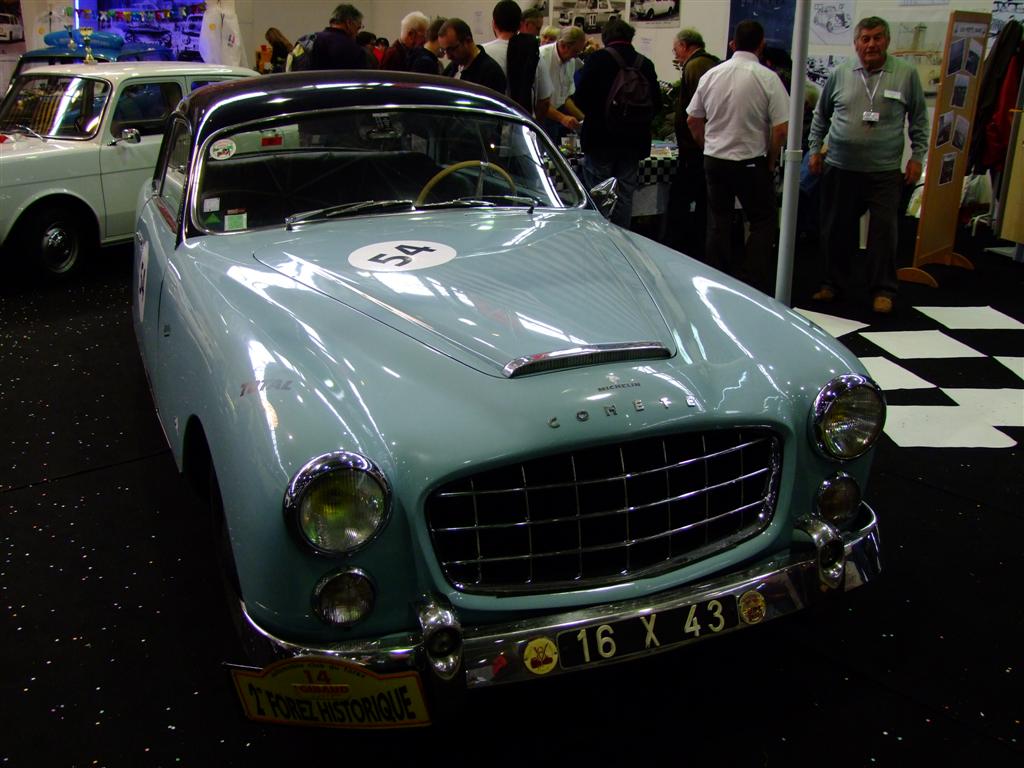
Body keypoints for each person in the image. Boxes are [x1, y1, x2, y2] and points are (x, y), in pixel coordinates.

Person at [807, 15, 929, 314]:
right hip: (840, 167)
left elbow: (919, 119)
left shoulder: (906, 75)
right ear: (856, 43)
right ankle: (833, 284)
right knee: (836, 230)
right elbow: (821, 115)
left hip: (884, 171)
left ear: (887, 40)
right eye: (865, 39)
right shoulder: (840, 73)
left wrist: (917, 157)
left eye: (877, 38)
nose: (871, 44)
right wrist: (814, 149)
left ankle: (883, 290)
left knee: (884, 233)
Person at [687, 19, 789, 292]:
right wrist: (771, 160)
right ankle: (751, 280)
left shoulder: (712, 75)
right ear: (761, 45)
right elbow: (781, 129)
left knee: (718, 220)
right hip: (750, 161)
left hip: (715, 159)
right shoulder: (768, 78)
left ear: (733, 44)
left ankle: (717, 278)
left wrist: (707, 146)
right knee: (762, 220)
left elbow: (693, 120)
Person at [573, 18, 659, 229]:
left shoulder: (597, 60)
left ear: (606, 37)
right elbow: (656, 103)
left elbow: (580, 98)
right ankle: (621, 237)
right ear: (630, 37)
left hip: (600, 139)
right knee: (625, 194)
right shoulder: (645, 64)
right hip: (633, 142)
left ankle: (598, 236)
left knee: (598, 192)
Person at [666, 28, 718, 258]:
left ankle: (680, 246)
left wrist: (700, 141)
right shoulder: (710, 63)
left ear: (685, 45)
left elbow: (698, 111)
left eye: (676, 49)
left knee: (681, 199)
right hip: (701, 146)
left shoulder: (696, 66)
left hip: (695, 148)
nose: (675, 54)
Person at [482, 0, 552, 120]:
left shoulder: (481, 52)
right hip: (522, 123)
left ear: (494, 24)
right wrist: (533, 122)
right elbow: (544, 101)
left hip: (489, 123)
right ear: (520, 25)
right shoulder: (533, 53)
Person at [539, 25, 586, 141]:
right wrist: (563, 118)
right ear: (564, 45)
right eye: (575, 51)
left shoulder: (571, 60)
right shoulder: (541, 57)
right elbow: (539, 103)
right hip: (539, 118)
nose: (576, 55)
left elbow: (565, 98)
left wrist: (583, 119)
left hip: (554, 118)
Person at [439, 18, 507, 94]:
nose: (448, 56)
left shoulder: (491, 73)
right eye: (444, 50)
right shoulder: (453, 67)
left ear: (468, 41)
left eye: (452, 49)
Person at [310, 4, 367, 70]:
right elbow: (361, 75)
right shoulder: (354, 49)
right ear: (349, 23)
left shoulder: (308, 40)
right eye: (358, 27)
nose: (357, 33)